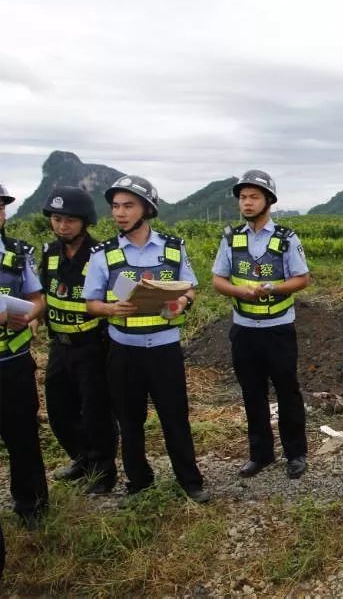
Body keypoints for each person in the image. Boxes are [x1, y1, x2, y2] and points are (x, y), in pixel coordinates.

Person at [83, 175, 210, 503]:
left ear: (147, 209)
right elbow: (91, 303)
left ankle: (189, 480)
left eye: (128, 205)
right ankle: (139, 480)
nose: (119, 213)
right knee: (130, 421)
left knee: (175, 417)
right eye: (115, 206)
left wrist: (183, 302)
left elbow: (190, 287)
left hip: (165, 349)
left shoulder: (173, 247)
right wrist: (111, 308)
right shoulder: (104, 254)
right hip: (125, 351)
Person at [211, 170, 310, 479]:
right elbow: (217, 279)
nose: (247, 202)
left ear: (268, 200)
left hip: (278, 328)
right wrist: (239, 292)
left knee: (287, 391)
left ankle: (295, 453)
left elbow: (302, 278)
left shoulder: (286, 239)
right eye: (243, 197)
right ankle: (260, 454)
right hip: (244, 329)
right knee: (252, 392)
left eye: (254, 196)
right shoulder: (231, 238)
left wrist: (274, 289)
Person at [40, 188, 119, 493]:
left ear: (85, 222)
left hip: (91, 345)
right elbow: (44, 294)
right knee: (60, 410)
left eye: (70, 220)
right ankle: (81, 458)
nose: (62, 226)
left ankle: (103, 471)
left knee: (96, 410)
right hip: (59, 345)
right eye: (57, 219)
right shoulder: (48, 253)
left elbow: (120, 292)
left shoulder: (101, 255)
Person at [0, 184, 48, 528]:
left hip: (13, 364)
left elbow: (36, 297)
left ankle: (30, 503)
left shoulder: (18, 254)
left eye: (1, 207)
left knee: (23, 437)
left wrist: (29, 315)